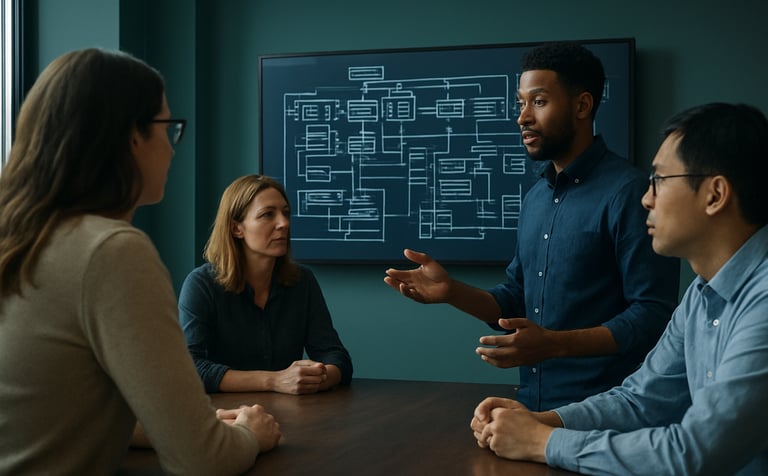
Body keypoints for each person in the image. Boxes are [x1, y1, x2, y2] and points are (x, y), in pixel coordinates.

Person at [0, 48, 281, 475]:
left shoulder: (23, 239)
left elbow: (55, 413)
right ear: (133, 138)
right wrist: (249, 433)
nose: (172, 148)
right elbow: (203, 462)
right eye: (168, 128)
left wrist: (176, 427)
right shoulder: (110, 251)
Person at [471, 102, 768, 475]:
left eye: (660, 180)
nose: (646, 198)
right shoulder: (700, 295)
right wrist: (541, 422)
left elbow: (694, 454)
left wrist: (541, 442)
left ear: (715, 194)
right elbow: (639, 401)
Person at [384, 41, 680, 411]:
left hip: (607, 414)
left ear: (582, 106)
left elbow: (652, 314)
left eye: (538, 101)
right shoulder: (536, 197)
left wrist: (554, 344)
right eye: (521, 103)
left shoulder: (630, 193)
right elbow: (516, 298)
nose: (522, 117)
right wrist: (452, 292)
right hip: (533, 407)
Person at [178, 174, 353, 394]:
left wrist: (315, 378)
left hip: (290, 410)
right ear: (236, 228)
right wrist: (274, 381)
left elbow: (337, 358)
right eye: (267, 214)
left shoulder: (302, 281)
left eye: (285, 213)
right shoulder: (201, 285)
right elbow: (190, 368)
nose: (284, 223)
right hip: (226, 412)